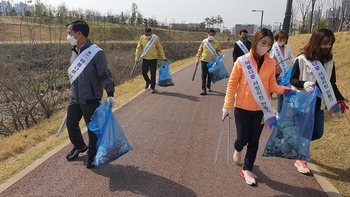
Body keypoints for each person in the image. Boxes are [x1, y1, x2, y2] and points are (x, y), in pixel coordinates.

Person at [222, 28, 292, 185]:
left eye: (269, 44)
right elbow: (232, 84)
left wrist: (284, 90)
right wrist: (227, 106)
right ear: (256, 42)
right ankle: (238, 148)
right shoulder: (241, 61)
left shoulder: (271, 62)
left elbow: (272, 85)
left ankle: (247, 169)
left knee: (254, 140)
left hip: (261, 110)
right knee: (242, 139)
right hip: (241, 108)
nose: (265, 46)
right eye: (263, 43)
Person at [290, 29, 348, 175]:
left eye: (329, 44)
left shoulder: (330, 62)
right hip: (304, 102)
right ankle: (300, 159)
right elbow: (293, 80)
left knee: (317, 133)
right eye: (324, 43)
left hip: (319, 103)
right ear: (316, 42)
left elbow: (332, 83)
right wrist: (304, 84)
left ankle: (298, 143)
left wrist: (340, 98)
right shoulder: (302, 60)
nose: (327, 47)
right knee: (306, 131)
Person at [65, 20, 116, 169]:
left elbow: (105, 75)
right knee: (71, 124)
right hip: (75, 98)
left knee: (92, 129)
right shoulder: (74, 51)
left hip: (91, 98)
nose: (68, 37)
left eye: (70, 34)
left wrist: (110, 93)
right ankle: (80, 147)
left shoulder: (97, 53)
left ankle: (92, 155)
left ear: (79, 34)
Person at [135, 27, 167, 93]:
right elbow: (139, 49)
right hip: (145, 59)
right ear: (145, 33)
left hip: (153, 59)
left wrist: (163, 57)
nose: (147, 35)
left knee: (153, 73)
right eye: (146, 34)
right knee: (144, 73)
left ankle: (152, 87)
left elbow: (159, 48)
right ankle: (148, 81)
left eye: (149, 34)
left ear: (151, 33)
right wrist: (136, 58)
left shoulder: (155, 38)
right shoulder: (142, 38)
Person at [269, 30, 295, 113]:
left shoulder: (288, 48)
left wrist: (294, 62)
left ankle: (279, 114)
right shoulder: (272, 47)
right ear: (276, 39)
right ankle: (266, 112)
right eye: (280, 39)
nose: (281, 41)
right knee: (268, 94)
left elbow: (292, 58)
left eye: (283, 39)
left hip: (283, 74)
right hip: (272, 74)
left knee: (280, 95)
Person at [196, 29, 222, 95]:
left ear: (214, 35)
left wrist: (220, 54)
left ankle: (208, 86)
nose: (211, 36)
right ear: (208, 34)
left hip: (212, 61)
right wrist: (197, 59)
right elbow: (200, 51)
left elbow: (219, 50)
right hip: (204, 60)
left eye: (213, 35)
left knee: (210, 75)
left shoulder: (216, 42)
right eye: (210, 34)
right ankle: (203, 89)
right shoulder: (204, 42)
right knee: (203, 75)